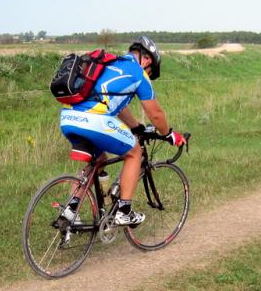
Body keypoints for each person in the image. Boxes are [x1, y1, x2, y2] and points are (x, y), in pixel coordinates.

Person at [58, 35, 186, 226]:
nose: (148, 75)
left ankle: (70, 209)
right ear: (147, 59)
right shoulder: (137, 72)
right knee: (135, 153)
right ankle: (124, 211)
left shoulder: (110, 65)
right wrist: (168, 134)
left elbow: (117, 105)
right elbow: (156, 113)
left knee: (99, 160)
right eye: (150, 71)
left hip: (69, 118)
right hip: (95, 120)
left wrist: (135, 127)